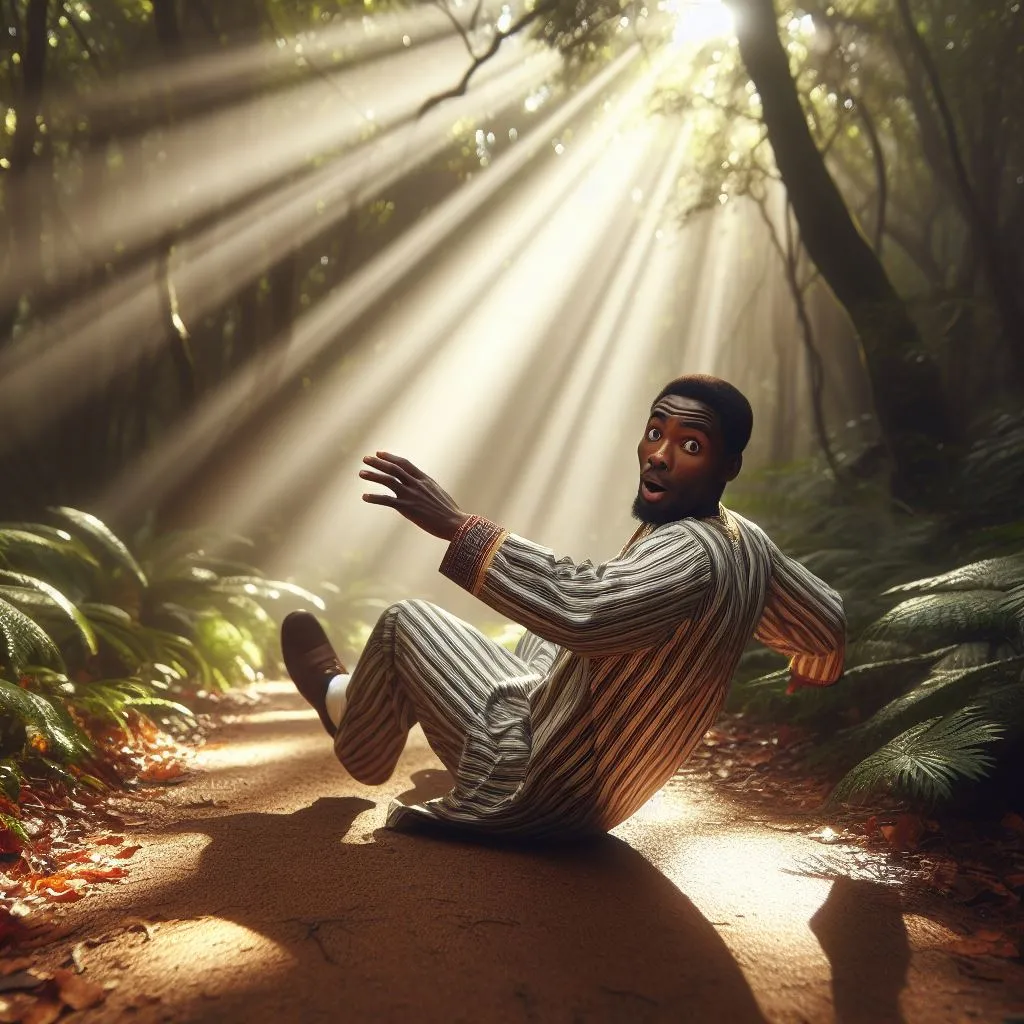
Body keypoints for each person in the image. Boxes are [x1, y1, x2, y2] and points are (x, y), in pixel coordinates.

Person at [281, 374, 846, 839]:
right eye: (655, 432)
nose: (659, 457)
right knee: (541, 640)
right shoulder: (748, 542)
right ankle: (427, 709)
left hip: (544, 786)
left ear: (729, 467)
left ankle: (345, 712)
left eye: (690, 446)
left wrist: (456, 527)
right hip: (611, 783)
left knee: (407, 623)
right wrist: (813, 666)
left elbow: (589, 613)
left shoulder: (688, 552)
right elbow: (825, 621)